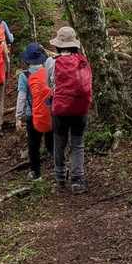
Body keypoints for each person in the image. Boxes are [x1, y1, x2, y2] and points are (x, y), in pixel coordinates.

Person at [48, 25, 92, 194]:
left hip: (60, 109)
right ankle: (77, 180)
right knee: (77, 143)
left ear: (58, 45)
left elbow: (49, 84)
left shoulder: (52, 62)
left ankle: (60, 177)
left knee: (59, 143)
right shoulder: (83, 61)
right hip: (80, 108)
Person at [14, 42, 54, 181]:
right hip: (50, 112)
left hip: (32, 115)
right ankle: (60, 168)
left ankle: (36, 173)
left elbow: (21, 97)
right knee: (52, 143)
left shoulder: (24, 76)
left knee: (33, 145)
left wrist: (18, 117)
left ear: (27, 60)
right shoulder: (47, 71)